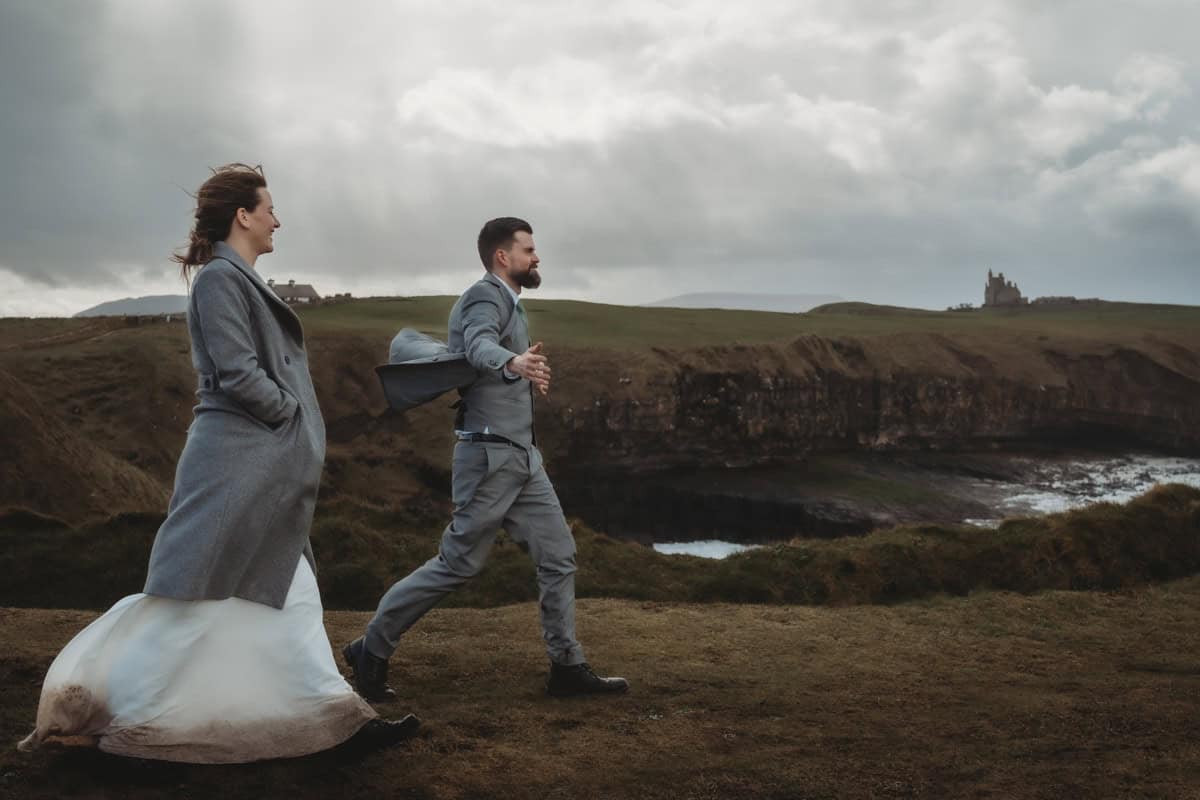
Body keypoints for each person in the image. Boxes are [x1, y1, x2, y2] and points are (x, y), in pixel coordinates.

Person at [18, 164, 417, 763]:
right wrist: (288, 414)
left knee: (293, 594)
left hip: (263, 470)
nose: (278, 218)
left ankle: (337, 721)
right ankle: (131, 718)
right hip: (235, 465)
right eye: (270, 207)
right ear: (243, 215)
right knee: (192, 601)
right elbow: (235, 373)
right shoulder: (218, 282)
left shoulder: (238, 279)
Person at [343, 217, 629, 699]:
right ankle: (371, 648)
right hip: (489, 458)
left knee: (559, 556)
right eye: (529, 250)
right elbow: (476, 344)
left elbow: (491, 358)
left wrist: (523, 373)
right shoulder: (484, 296)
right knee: (458, 565)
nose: (536, 258)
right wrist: (512, 361)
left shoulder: (511, 305)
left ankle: (566, 665)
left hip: (522, 459)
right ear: (504, 257)